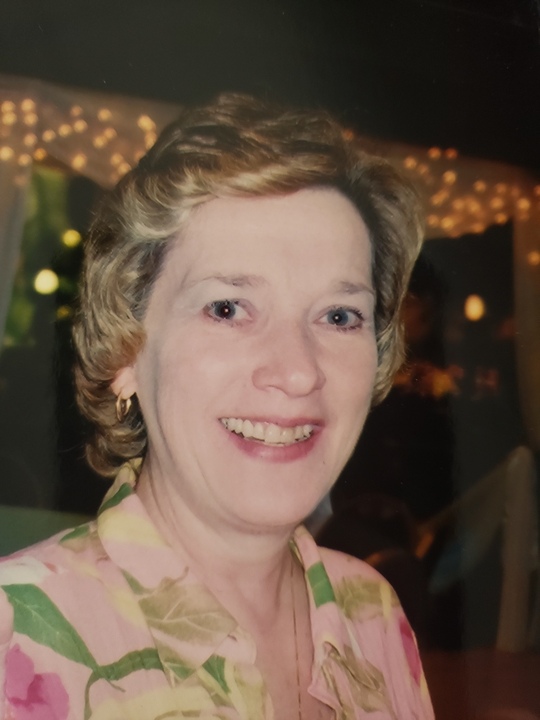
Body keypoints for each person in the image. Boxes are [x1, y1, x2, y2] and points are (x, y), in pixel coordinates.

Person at [0, 93, 433, 720]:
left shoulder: (373, 613)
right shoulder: (19, 631)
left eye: (340, 316)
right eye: (227, 308)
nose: (297, 371)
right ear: (125, 348)